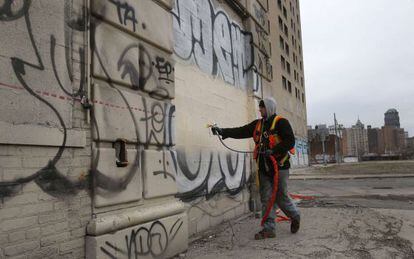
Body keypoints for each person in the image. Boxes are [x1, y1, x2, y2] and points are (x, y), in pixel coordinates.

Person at [211, 97, 300, 239]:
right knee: (266, 198)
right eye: (259, 107)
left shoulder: (281, 123)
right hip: (264, 168)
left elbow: (290, 141)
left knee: (280, 197)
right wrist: (223, 132)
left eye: (262, 107)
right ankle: (269, 229)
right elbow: (241, 131)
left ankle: (295, 216)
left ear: (269, 108)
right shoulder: (258, 125)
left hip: (280, 167)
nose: (260, 110)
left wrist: (275, 150)